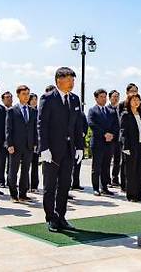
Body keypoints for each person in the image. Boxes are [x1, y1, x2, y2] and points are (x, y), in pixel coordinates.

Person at [38, 67, 85, 232]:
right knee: (50, 186)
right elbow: (42, 125)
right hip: (51, 151)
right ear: (59, 80)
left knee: (65, 185)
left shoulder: (74, 99)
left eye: (73, 80)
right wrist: (44, 148)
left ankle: (61, 216)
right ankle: (51, 218)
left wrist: (80, 146)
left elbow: (77, 125)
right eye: (69, 79)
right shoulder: (47, 98)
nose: (72, 83)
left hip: (69, 150)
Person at [6, 85, 37, 202]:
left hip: (28, 146)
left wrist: (35, 143)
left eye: (28, 94)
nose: (26, 96)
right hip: (15, 146)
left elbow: (35, 129)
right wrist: (9, 145)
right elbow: (8, 129)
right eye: (24, 94)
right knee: (13, 170)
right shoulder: (12, 111)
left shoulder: (33, 111)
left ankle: (23, 194)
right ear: (18, 95)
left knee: (25, 170)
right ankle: (13, 194)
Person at [87, 89, 118, 196]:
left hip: (109, 143)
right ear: (96, 98)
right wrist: (105, 134)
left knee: (106, 166)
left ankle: (104, 187)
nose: (104, 99)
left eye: (105, 96)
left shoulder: (111, 111)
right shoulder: (92, 110)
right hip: (98, 142)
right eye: (101, 97)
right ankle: (96, 188)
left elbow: (116, 125)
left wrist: (112, 134)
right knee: (96, 166)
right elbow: (92, 124)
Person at [120, 93, 141, 202]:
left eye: (138, 100)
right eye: (134, 100)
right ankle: (131, 195)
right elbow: (123, 132)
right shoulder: (125, 114)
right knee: (131, 171)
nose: (136, 102)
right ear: (129, 101)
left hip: (140, 145)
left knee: (139, 171)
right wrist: (125, 146)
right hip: (130, 146)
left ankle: (138, 194)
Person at [117, 84, 141, 191]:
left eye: (136, 91)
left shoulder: (140, 109)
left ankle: (136, 191)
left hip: (139, 143)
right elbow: (122, 126)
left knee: (137, 169)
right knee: (126, 166)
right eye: (132, 91)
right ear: (127, 92)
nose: (134, 93)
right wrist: (125, 144)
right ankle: (125, 186)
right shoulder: (123, 106)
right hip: (128, 141)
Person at [107, 90, 121, 186]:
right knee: (107, 161)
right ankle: (106, 180)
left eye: (117, 96)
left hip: (119, 139)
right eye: (114, 96)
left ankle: (115, 179)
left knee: (117, 160)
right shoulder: (106, 109)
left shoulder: (121, 108)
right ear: (110, 98)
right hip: (110, 139)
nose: (115, 98)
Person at [70, 113, 88, 191]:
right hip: (70, 141)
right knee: (69, 165)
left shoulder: (82, 114)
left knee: (78, 164)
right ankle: (68, 184)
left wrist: (83, 133)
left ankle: (76, 184)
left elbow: (86, 125)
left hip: (79, 142)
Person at [28, 93, 40, 193]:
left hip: (36, 142)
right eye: (33, 99)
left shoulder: (38, 112)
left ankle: (34, 185)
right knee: (26, 165)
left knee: (35, 164)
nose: (35, 101)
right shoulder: (26, 111)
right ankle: (26, 185)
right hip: (27, 142)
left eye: (36, 99)